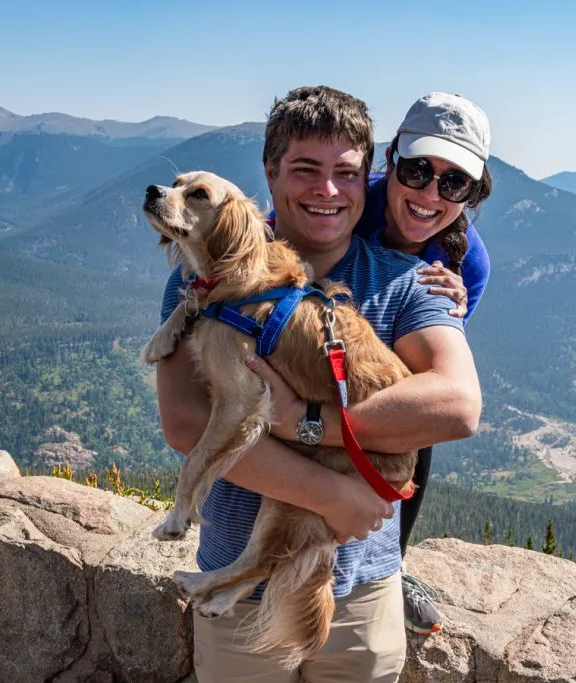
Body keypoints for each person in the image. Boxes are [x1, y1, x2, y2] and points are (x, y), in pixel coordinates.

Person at [155, 85, 481, 682]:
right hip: (235, 589)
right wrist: (332, 496)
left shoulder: (409, 281)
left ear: (367, 182)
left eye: (346, 174)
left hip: (359, 592)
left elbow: (457, 405)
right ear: (271, 174)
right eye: (306, 170)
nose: (327, 190)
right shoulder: (204, 278)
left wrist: (302, 421)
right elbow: (184, 423)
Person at [354, 91, 494, 636]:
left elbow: (429, 378)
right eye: (416, 170)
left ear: (472, 192)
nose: (430, 194)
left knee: (420, 413)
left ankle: (392, 564)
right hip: (301, 360)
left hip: (374, 383)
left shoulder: (467, 264)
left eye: (453, 182)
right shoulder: (343, 200)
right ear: (390, 161)